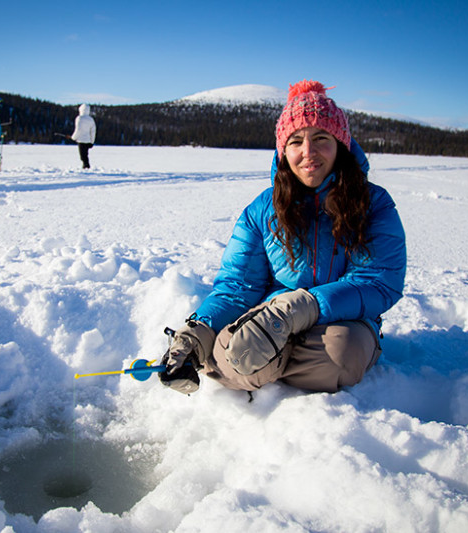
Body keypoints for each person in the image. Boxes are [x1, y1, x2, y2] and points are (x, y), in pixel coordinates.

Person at [159, 80, 406, 395]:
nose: (308, 153)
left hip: (341, 323)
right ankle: (252, 362)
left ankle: (260, 370)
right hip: (268, 323)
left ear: (340, 144)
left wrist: (300, 307)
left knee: (342, 354)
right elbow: (237, 287)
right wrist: (199, 332)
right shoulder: (262, 209)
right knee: (236, 351)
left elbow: (378, 282)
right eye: (296, 141)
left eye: (321, 138)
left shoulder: (373, 204)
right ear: (283, 150)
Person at [71, 103, 97, 169]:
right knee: (85, 155)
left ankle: (86, 167)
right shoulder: (91, 119)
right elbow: (93, 132)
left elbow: (78, 130)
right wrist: (92, 142)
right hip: (88, 141)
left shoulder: (79, 118)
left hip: (81, 140)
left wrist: (73, 137)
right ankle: (86, 167)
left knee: (83, 156)